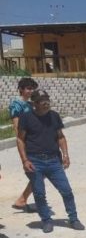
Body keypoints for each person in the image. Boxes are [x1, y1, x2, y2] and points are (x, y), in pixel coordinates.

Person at [17, 90, 85, 234]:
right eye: (42, 100)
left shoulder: (54, 116)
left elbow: (60, 137)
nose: (46, 102)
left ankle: (74, 219)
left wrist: (65, 155)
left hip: (54, 160)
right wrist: (25, 160)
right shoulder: (26, 117)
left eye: (47, 99)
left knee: (66, 191)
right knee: (39, 194)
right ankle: (46, 220)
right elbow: (20, 139)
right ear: (35, 103)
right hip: (35, 161)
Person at [9, 77, 38, 213]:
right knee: (36, 172)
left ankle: (24, 199)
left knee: (39, 172)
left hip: (36, 141)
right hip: (27, 142)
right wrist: (24, 143)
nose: (30, 91)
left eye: (32, 88)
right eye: (28, 88)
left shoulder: (31, 104)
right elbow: (16, 126)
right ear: (21, 89)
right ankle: (22, 199)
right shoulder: (17, 104)